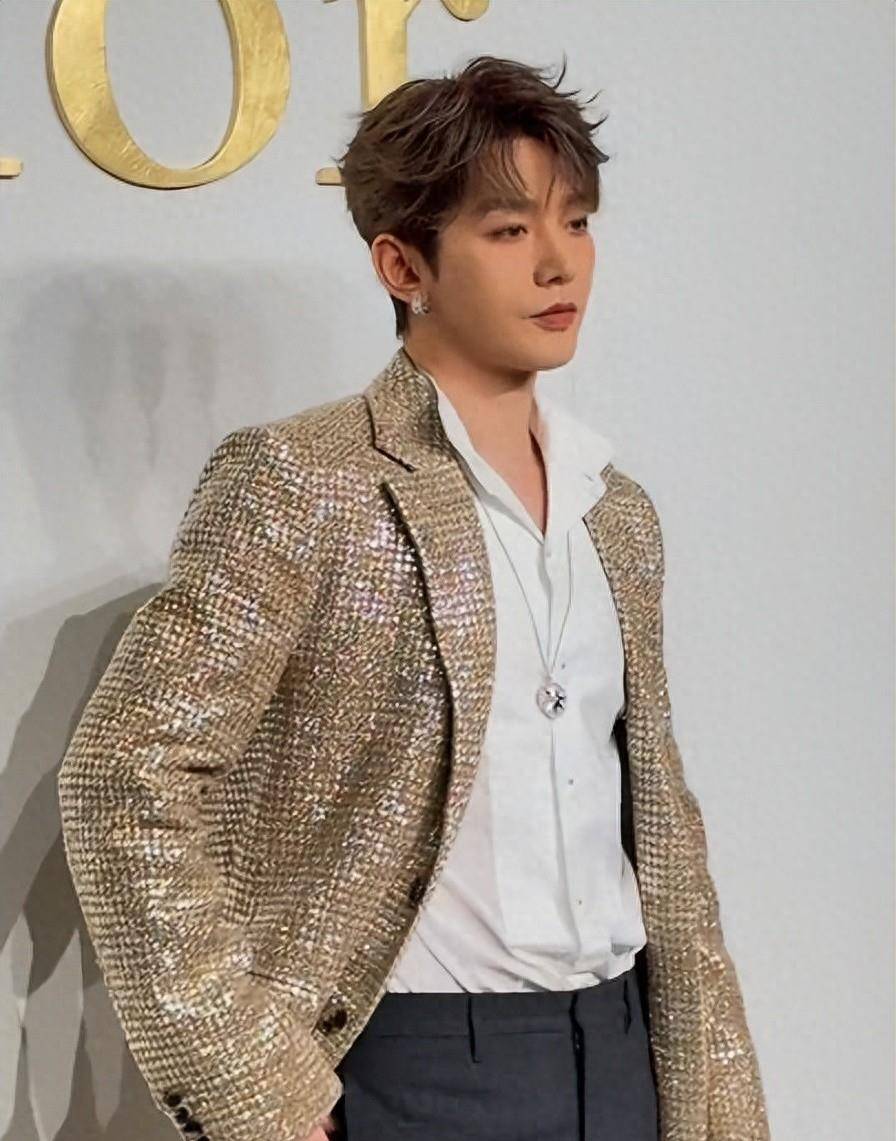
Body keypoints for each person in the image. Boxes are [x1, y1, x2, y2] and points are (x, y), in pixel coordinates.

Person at [57, 54, 770, 1141]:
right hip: (415, 1066)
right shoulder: (303, 479)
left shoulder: (614, 511)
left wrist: (718, 1099)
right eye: (508, 230)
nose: (557, 262)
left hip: (627, 1055)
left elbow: (661, 828)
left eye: (576, 222)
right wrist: (254, 1083)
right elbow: (125, 776)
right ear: (403, 265)